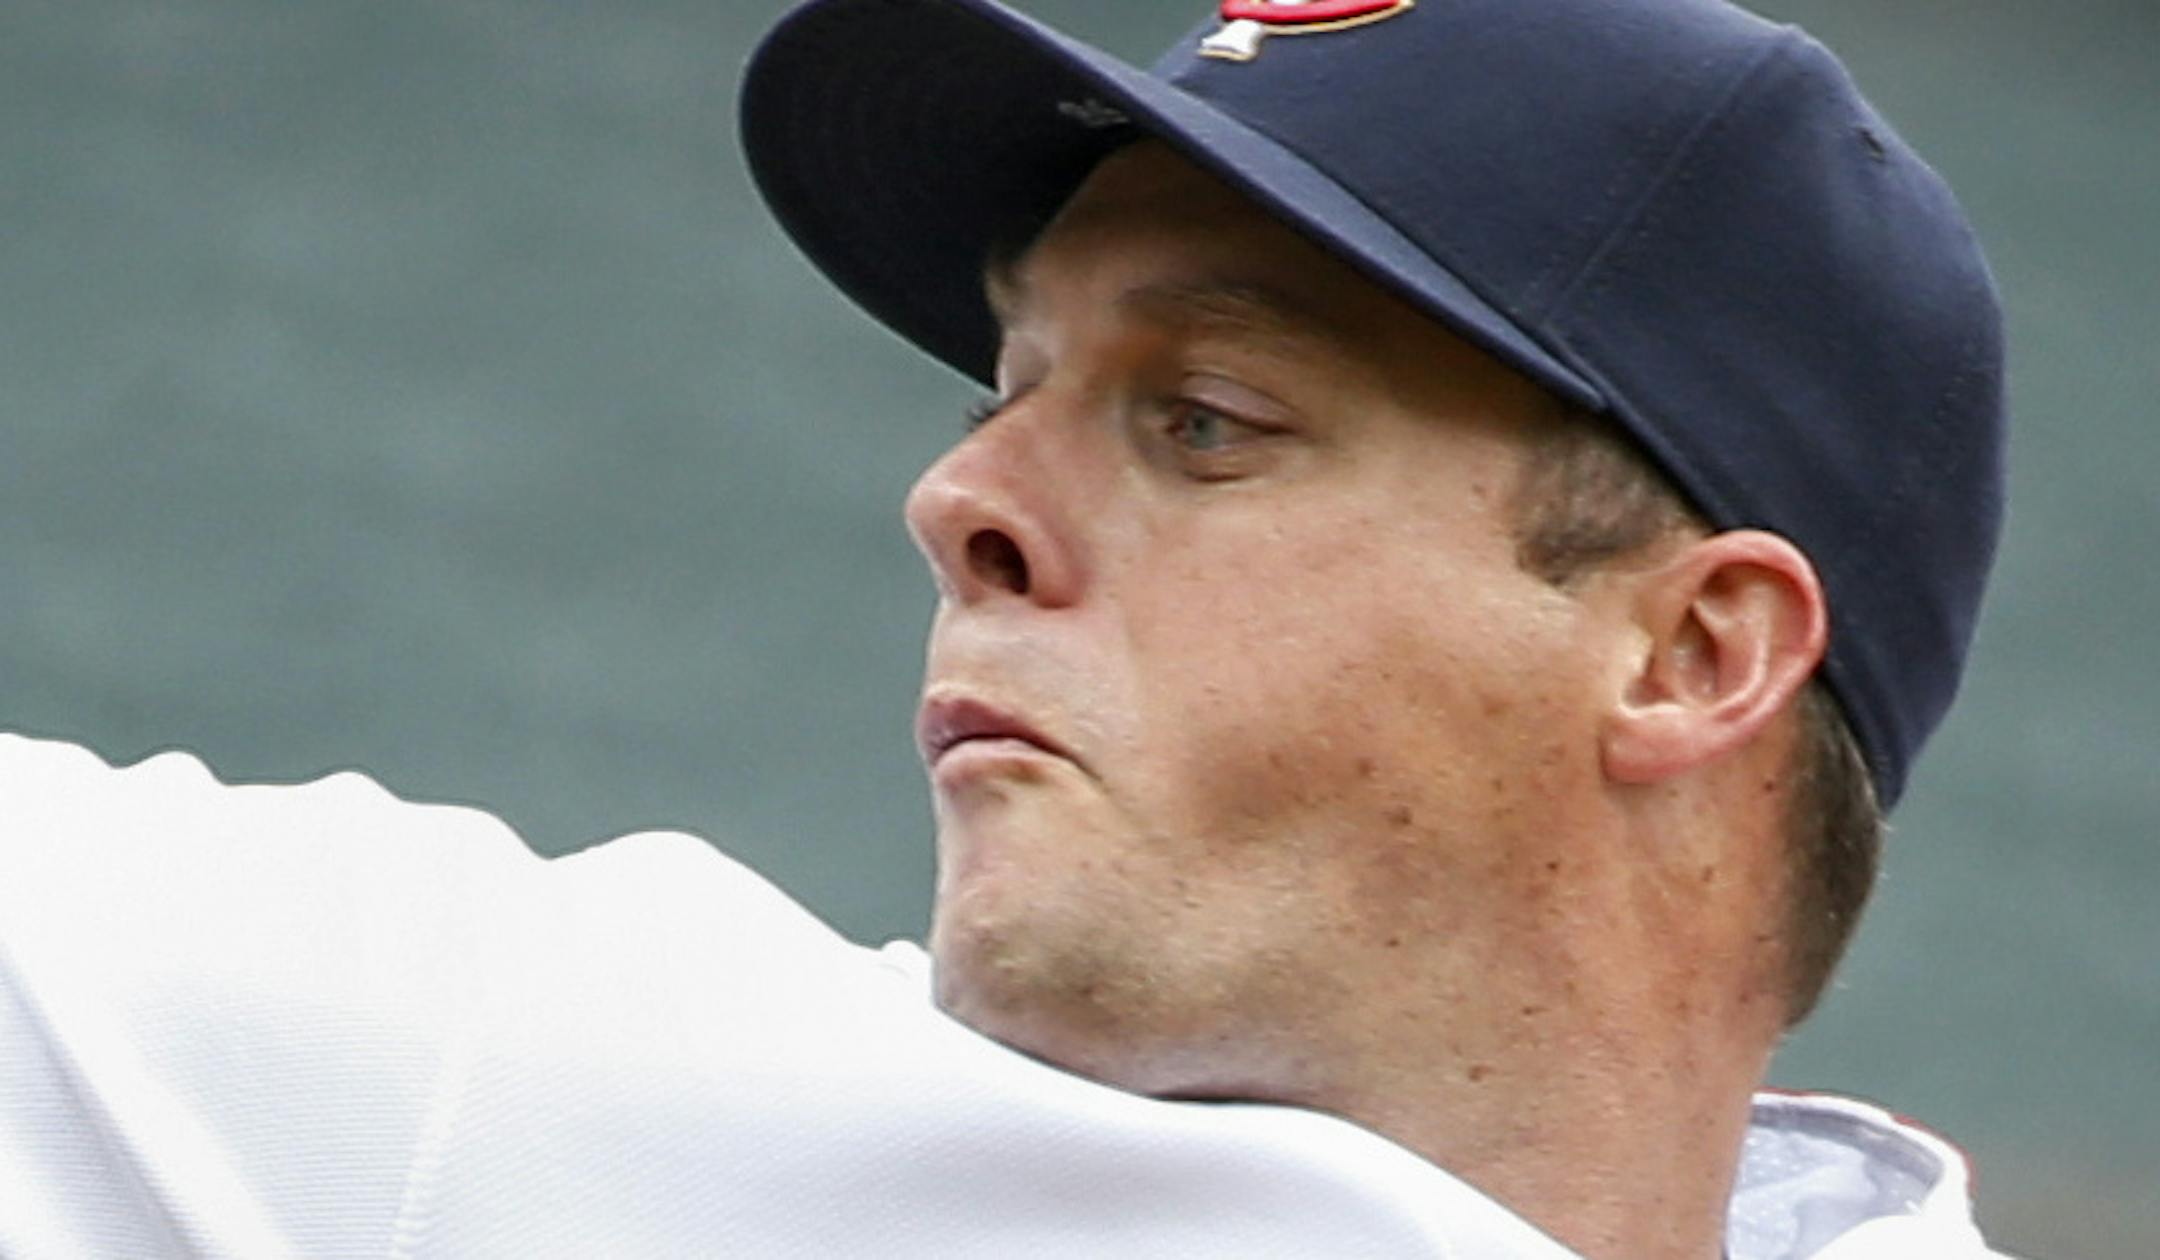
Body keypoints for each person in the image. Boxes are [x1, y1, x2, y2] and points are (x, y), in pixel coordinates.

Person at [0, 0, 2014, 1257]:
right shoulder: (584, 1103)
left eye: (1204, 421)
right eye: (1003, 392)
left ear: (1692, 655)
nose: (959, 501)